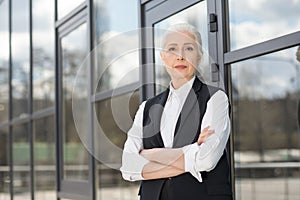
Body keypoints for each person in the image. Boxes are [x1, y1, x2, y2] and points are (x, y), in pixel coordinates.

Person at [120, 23, 232, 200]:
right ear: (163, 57)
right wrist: (192, 153)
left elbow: (207, 160)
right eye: (172, 49)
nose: (180, 56)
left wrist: (150, 154)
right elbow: (128, 166)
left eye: (188, 48)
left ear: (199, 56)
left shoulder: (216, 98)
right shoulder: (146, 108)